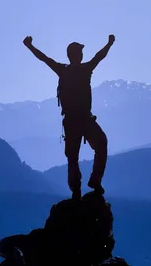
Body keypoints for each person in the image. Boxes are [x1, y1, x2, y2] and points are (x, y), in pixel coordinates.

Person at [23, 34, 115, 199]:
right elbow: (99, 56)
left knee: (73, 157)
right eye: (80, 52)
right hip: (85, 119)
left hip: (71, 122)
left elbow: (44, 58)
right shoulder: (86, 69)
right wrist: (109, 44)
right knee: (101, 144)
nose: (81, 55)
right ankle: (95, 181)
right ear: (77, 55)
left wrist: (29, 46)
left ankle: (76, 191)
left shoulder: (62, 70)